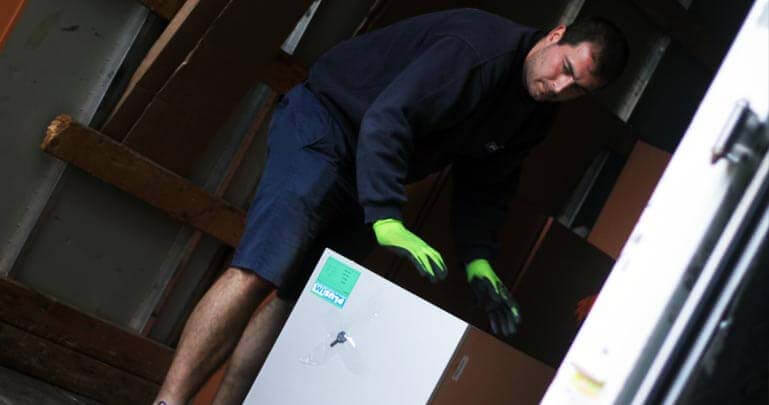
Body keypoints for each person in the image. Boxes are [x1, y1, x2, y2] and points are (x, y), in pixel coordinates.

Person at [154, 8, 628, 404]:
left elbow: (487, 183)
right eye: (565, 69)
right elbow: (388, 117)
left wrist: (479, 260)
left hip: (378, 174)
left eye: (577, 90)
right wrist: (384, 214)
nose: (560, 88)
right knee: (261, 269)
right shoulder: (475, 50)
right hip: (325, 130)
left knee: (307, 297)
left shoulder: (535, 114)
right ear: (556, 36)